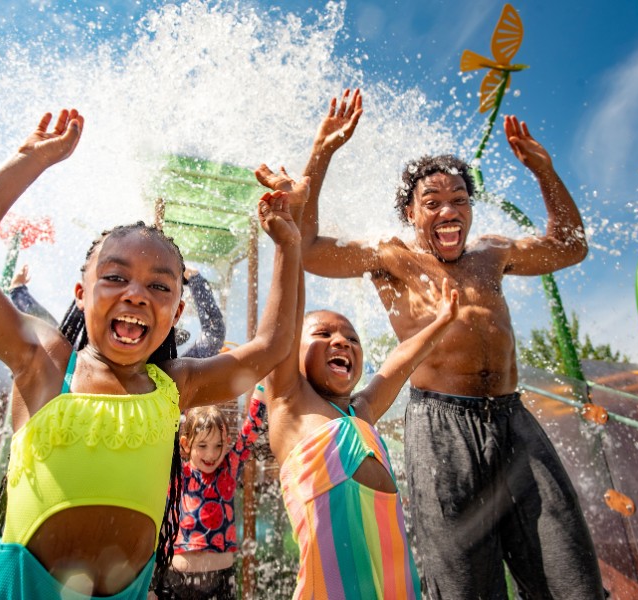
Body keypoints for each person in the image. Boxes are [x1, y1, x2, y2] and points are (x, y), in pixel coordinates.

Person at [0, 108, 303, 600]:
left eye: (159, 285)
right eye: (115, 277)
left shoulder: (175, 386)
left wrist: (288, 245)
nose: (136, 294)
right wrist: (28, 162)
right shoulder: (47, 362)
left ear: (177, 309)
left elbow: (271, 347)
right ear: (81, 292)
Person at [285, 88, 604, 599]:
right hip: (441, 423)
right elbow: (307, 250)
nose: (448, 211)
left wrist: (544, 171)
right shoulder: (390, 256)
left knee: (569, 572)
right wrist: (322, 150)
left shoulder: (493, 252)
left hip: (513, 419)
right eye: (432, 203)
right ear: (411, 214)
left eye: (459, 200)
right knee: (461, 583)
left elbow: (571, 246)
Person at [254, 163, 459, 599]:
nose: (341, 342)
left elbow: (399, 363)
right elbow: (284, 325)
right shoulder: (290, 405)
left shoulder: (361, 412)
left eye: (351, 338)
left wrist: (441, 322)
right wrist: (288, 239)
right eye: (324, 334)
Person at [157, 395, 265, 599]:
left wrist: (261, 393)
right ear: (186, 444)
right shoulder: (177, 475)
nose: (211, 454)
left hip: (220, 581)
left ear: (227, 443)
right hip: (177, 580)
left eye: (219, 445)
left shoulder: (228, 470)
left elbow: (250, 431)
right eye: (203, 445)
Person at [8, 263, 225, 357]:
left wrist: (196, 281)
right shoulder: (67, 359)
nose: (136, 298)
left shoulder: (169, 378)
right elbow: (51, 328)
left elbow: (213, 336)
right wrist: (195, 280)